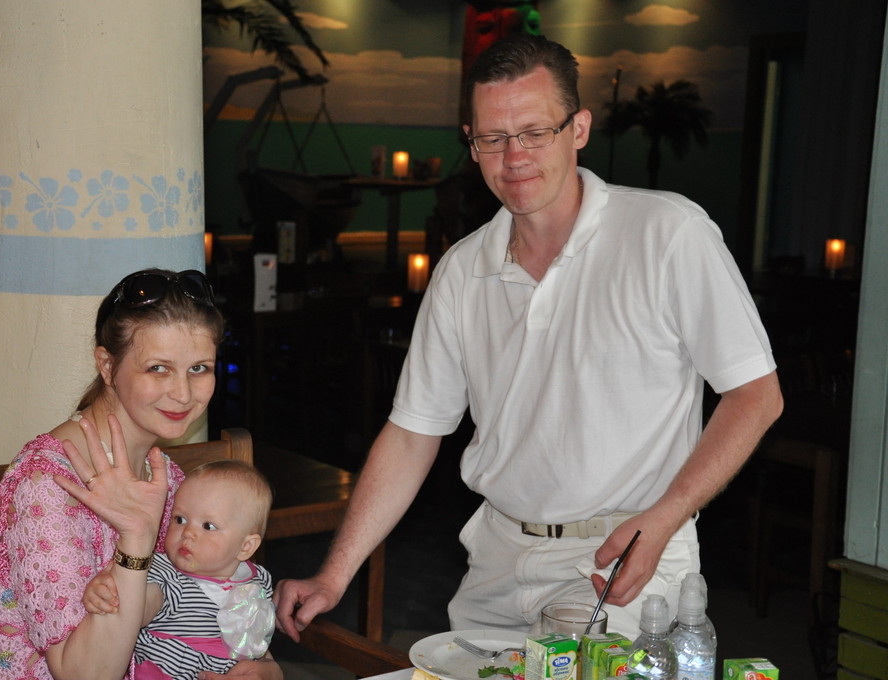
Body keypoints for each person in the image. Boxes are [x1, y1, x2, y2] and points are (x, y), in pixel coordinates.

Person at [274, 34, 784, 639]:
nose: (513, 156)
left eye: (534, 132)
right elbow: (412, 435)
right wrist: (334, 575)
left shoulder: (668, 233)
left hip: (620, 559)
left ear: (579, 129)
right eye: (492, 138)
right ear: (472, 143)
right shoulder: (461, 270)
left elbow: (757, 396)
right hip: (496, 559)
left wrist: (667, 517)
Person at [0, 268, 282, 680]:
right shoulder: (47, 485)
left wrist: (265, 670)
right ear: (107, 366)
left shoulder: (167, 475)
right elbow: (83, 675)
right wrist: (136, 539)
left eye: (199, 368)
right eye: (158, 368)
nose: (183, 394)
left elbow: (210, 604)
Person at [82, 460, 275, 680]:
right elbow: (136, 610)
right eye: (180, 519)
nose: (187, 532)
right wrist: (110, 595)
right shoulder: (166, 574)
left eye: (208, 526)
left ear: (246, 547)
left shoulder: (258, 581)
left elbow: (259, 642)